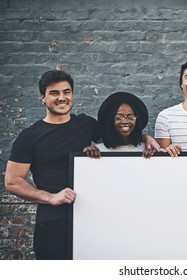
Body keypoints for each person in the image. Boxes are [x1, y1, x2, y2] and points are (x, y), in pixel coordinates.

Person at [4, 70, 101, 260]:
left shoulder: (88, 125)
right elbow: (12, 181)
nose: (62, 98)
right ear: (43, 98)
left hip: (91, 218)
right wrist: (51, 198)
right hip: (52, 223)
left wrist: (146, 138)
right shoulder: (30, 136)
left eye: (67, 92)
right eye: (54, 93)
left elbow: (120, 144)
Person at [83, 91, 149, 153]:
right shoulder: (97, 151)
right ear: (110, 120)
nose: (125, 121)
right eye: (119, 117)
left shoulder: (147, 150)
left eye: (131, 117)